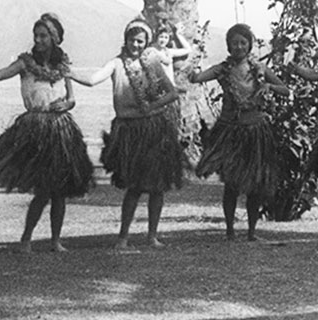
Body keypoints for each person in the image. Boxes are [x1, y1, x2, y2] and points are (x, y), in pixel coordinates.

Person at [0, 13, 93, 253]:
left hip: (61, 129)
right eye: (36, 36)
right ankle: (26, 238)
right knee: (44, 190)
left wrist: (66, 105)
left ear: (54, 38)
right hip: (35, 130)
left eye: (43, 36)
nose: (38, 40)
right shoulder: (25, 64)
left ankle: (55, 240)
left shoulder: (63, 66)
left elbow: (71, 99)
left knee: (60, 190)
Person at [70, 18, 184, 250]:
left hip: (154, 129)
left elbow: (172, 93)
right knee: (134, 186)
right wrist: (68, 73)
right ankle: (123, 237)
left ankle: (152, 236)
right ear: (126, 40)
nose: (136, 45)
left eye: (140, 41)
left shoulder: (152, 64)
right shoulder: (116, 64)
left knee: (158, 186)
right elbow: (93, 80)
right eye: (132, 40)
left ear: (146, 42)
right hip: (129, 131)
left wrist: (152, 107)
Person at [190, 23, 289, 241]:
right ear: (228, 46)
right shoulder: (222, 69)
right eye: (234, 43)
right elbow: (197, 79)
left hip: (256, 132)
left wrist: (269, 87)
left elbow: (285, 89)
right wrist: (191, 67)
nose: (239, 47)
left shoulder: (260, 69)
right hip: (231, 132)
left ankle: (252, 232)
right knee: (232, 183)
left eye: (243, 42)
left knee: (255, 184)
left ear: (250, 45)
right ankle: (230, 231)